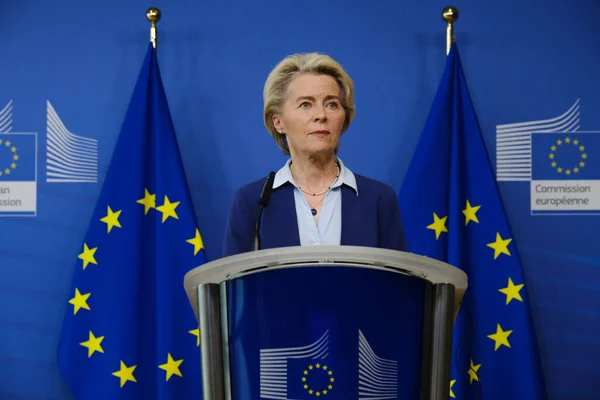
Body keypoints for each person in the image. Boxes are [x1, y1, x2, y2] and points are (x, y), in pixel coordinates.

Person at [223, 52, 407, 257]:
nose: (321, 115)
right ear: (278, 122)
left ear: (344, 119)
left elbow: (397, 286)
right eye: (305, 104)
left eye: (332, 104)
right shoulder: (252, 202)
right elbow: (233, 287)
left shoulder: (379, 200)